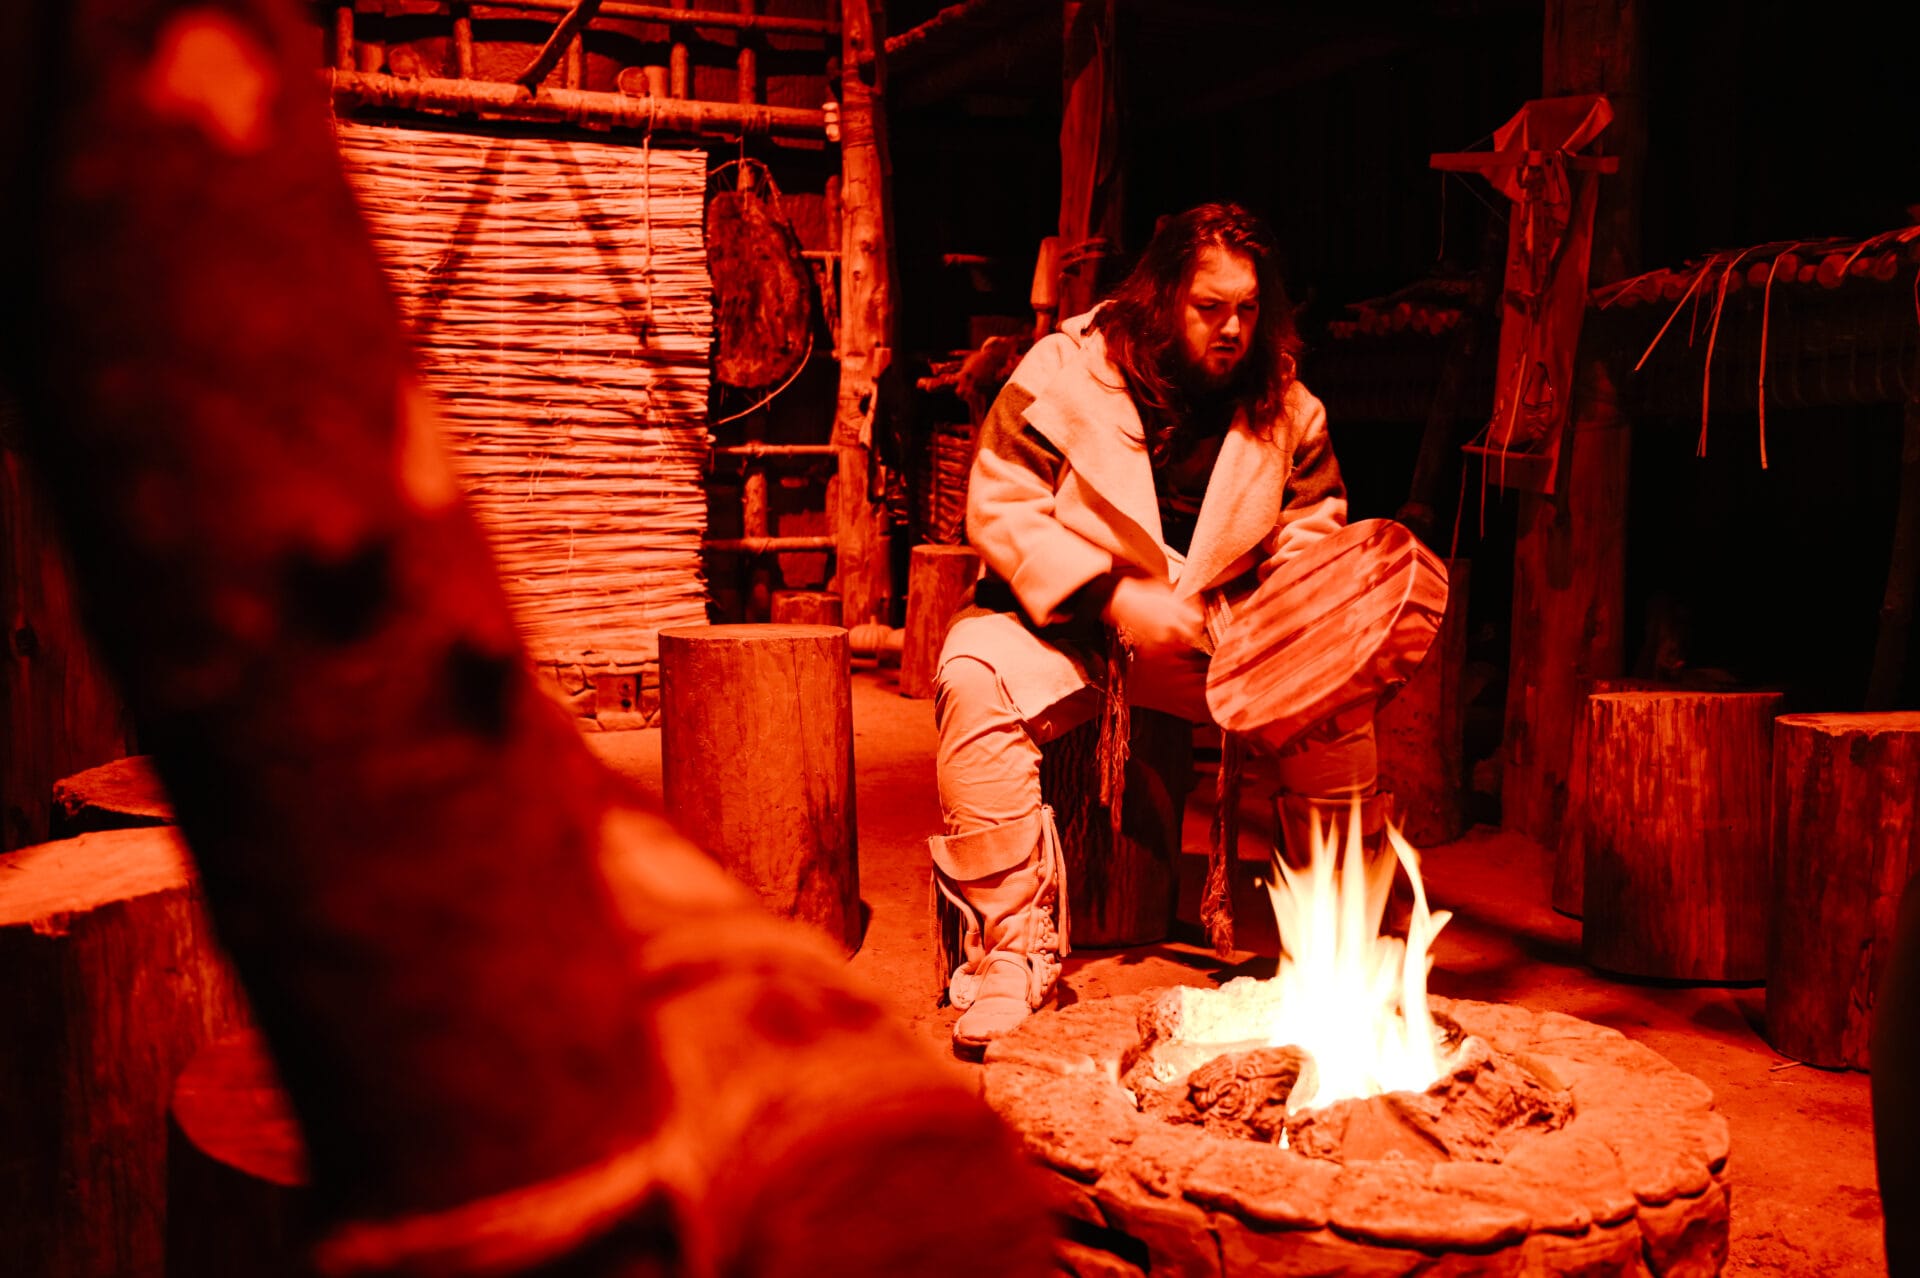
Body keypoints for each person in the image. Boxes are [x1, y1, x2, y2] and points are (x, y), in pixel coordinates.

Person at [928, 202, 1381, 1055]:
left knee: (1336, 711)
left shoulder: (1288, 405)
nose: (1232, 328)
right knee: (974, 674)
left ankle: (1336, 957)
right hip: (1072, 627)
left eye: (1248, 309)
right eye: (1210, 308)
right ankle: (1009, 956)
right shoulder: (1063, 371)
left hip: (1218, 637)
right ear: (1165, 294)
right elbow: (999, 506)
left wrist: (1282, 617)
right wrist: (1114, 594)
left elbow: (1312, 526)